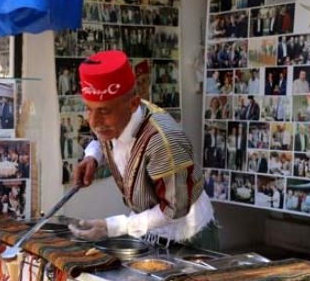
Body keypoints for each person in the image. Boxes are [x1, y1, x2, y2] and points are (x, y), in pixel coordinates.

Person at [70, 50, 218, 249]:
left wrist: (113, 227)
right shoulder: (112, 121)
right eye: (89, 109)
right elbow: (99, 137)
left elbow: (175, 209)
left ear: (132, 105)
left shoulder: (164, 142)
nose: (94, 121)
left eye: (104, 111)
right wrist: (92, 156)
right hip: (147, 231)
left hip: (186, 238)